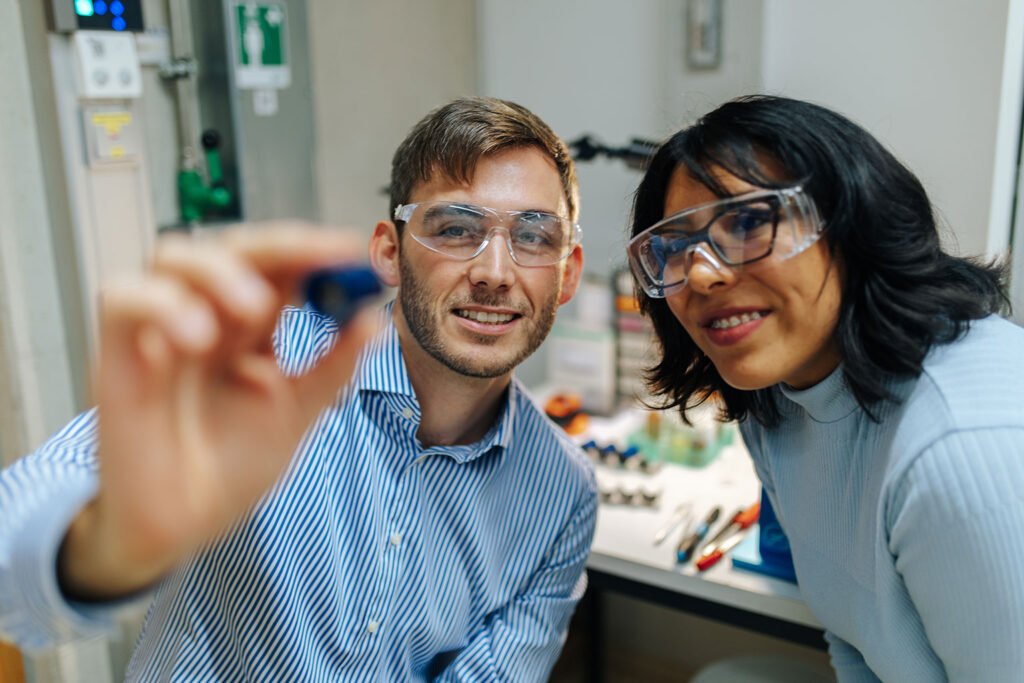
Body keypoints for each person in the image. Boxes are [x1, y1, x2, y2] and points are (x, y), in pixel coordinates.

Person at [0, 96, 596, 681]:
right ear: (390, 253)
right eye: (457, 229)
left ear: (567, 275)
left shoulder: (561, 492)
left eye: (534, 237)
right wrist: (109, 548)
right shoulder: (258, 371)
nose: (494, 272)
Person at [626, 95, 1024, 681]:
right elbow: (853, 635)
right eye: (677, 248)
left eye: (747, 223)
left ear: (853, 220)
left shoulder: (961, 447)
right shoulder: (776, 400)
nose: (704, 272)